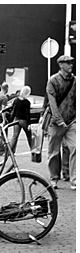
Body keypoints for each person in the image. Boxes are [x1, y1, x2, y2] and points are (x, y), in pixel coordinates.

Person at [45, 54, 76, 189]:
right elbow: (52, 104)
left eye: (72, 63)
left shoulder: (75, 80)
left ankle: (74, 179)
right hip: (56, 123)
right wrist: (59, 120)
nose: (71, 65)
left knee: (75, 148)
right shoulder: (53, 81)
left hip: (72, 121)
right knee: (54, 152)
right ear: (61, 65)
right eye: (68, 63)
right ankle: (54, 178)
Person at [6, 85, 35, 155]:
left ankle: (10, 151)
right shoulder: (27, 102)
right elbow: (27, 114)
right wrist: (29, 124)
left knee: (14, 136)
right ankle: (33, 150)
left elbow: (14, 111)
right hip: (24, 120)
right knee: (29, 136)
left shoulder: (16, 100)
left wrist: (11, 120)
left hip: (16, 120)